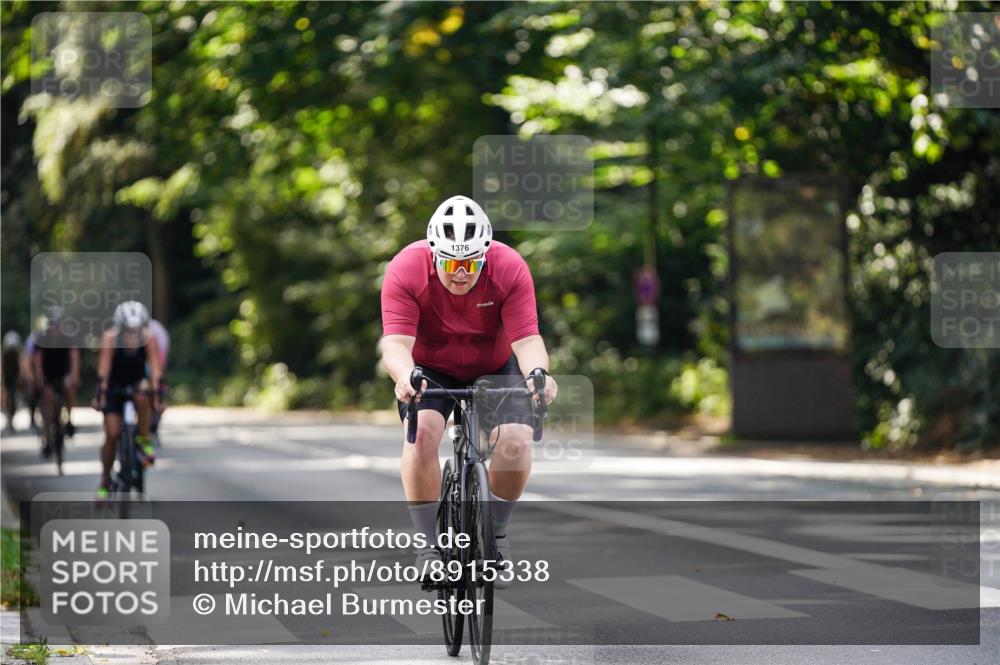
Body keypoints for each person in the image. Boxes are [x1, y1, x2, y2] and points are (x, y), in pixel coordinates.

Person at [380, 195, 558, 589]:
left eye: (471, 263)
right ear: (433, 255)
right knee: (424, 432)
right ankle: (428, 547)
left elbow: (527, 340)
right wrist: (405, 375)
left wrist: (539, 375)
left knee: (515, 441)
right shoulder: (406, 268)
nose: (461, 273)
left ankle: (496, 537)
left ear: (485, 254)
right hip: (429, 367)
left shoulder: (509, 267)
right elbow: (395, 344)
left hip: (496, 365)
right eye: (451, 263)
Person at [92, 301, 161, 501]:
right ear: (121, 328)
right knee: (112, 434)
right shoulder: (111, 339)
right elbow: (103, 370)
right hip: (115, 388)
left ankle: (144, 438)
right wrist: (101, 394)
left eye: (136, 330)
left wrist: (158, 395)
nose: (132, 335)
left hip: (137, 384)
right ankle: (105, 480)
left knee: (144, 391)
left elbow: (155, 370)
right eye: (128, 331)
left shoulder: (149, 339)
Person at [32, 308, 81, 455]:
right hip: (48, 375)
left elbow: (74, 357)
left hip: (63, 374)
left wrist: (74, 375)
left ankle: (69, 419)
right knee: (47, 400)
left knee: (70, 389)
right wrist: (40, 379)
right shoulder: (42, 338)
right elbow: (37, 361)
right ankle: (47, 437)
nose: (55, 328)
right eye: (53, 324)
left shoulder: (68, 338)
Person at [146, 318, 170, 440]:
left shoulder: (156, 332)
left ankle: (153, 426)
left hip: (155, 359)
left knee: (156, 385)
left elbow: (160, 364)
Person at [2, 331, 21, 433]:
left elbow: (20, 368)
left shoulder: (17, 355)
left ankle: (11, 418)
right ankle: (8, 417)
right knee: (7, 398)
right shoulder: (5, 355)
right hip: (7, 380)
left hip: (13, 380)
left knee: (13, 399)